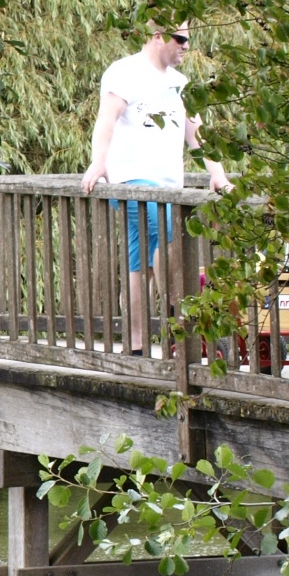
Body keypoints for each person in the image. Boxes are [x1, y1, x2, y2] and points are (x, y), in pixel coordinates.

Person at [80, 22, 232, 353]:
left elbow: (197, 135)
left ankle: (135, 346)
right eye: (180, 39)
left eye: (189, 40)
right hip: (132, 184)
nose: (186, 46)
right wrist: (98, 162)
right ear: (158, 35)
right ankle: (182, 317)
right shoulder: (125, 73)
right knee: (167, 236)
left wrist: (217, 174)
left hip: (169, 188)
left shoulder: (180, 84)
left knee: (141, 264)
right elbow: (106, 120)